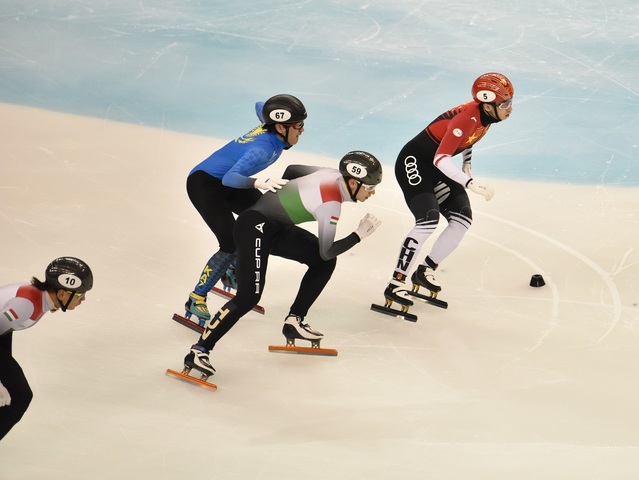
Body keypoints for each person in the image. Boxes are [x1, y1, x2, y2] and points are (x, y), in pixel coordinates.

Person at [182, 151, 383, 378]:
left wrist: (281, 200)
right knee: (248, 297)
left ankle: (294, 320)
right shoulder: (331, 204)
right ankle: (199, 350)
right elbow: (327, 250)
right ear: (354, 182)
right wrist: (358, 235)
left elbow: (293, 170)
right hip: (254, 228)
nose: (372, 192)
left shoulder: (330, 173)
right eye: (369, 187)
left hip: (274, 227)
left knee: (321, 263)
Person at [384, 72, 514, 308]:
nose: (510, 108)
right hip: (414, 162)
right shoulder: (467, 118)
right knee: (427, 221)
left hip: (435, 164)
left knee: (462, 219)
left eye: (510, 102)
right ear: (487, 103)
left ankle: (425, 270)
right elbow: (441, 159)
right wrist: (469, 182)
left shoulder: (487, 118)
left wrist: (467, 163)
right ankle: (396, 282)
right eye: (505, 103)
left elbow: (468, 141)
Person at [184, 94, 307, 324]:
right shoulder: (261, 149)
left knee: (262, 220)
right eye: (298, 125)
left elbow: (260, 106)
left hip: (229, 182)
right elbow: (231, 178)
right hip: (206, 184)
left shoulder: (273, 127)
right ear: (280, 126)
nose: (302, 130)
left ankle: (231, 271)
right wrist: (257, 182)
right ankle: (197, 297)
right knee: (230, 242)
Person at [0, 257, 93, 441]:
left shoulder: (38, 298)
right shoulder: (25, 305)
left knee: (12, 391)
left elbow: (4, 331)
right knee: (20, 396)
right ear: (62, 294)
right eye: (79, 294)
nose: (83, 299)